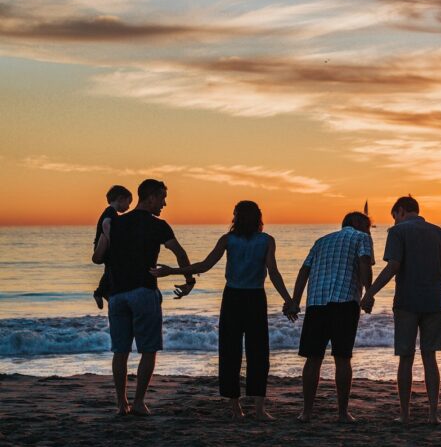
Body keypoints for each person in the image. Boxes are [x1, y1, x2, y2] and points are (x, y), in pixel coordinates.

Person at [150, 201, 292, 419]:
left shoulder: (229, 240)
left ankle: (236, 408)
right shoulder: (266, 240)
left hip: (233, 298)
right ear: (258, 218)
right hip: (255, 298)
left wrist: (173, 271)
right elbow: (273, 273)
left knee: (230, 352)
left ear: (236, 217)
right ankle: (259, 409)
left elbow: (204, 266)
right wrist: (288, 299)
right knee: (258, 353)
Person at [92, 179, 194, 416]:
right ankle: (138, 402)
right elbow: (179, 253)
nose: (164, 203)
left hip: (117, 294)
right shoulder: (158, 225)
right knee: (148, 349)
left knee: (120, 351)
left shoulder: (115, 223)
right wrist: (189, 281)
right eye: (162, 198)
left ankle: (121, 404)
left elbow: (99, 257)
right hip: (143, 291)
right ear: (150, 198)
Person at [361, 196, 441, 425]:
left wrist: (370, 292)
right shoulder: (438, 232)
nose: (394, 222)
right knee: (429, 358)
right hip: (434, 301)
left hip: (407, 301)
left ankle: (405, 414)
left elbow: (393, 265)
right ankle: (433, 414)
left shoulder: (398, 232)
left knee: (406, 358)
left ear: (400, 211)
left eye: (394, 217)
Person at [286, 211, 374, 423]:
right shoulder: (362, 238)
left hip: (316, 302)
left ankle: (306, 412)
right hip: (344, 301)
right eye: (367, 225)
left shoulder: (321, 241)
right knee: (342, 358)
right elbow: (364, 262)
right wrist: (369, 293)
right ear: (356, 223)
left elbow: (304, 271)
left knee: (313, 358)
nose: (369, 230)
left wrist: (294, 301)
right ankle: (342, 413)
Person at [92, 185, 133, 309]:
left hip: (105, 246)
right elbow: (106, 224)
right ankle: (100, 292)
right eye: (128, 202)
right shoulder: (111, 211)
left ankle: (103, 292)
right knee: (112, 269)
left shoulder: (110, 212)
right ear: (120, 199)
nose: (129, 206)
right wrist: (112, 241)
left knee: (110, 269)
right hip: (105, 247)